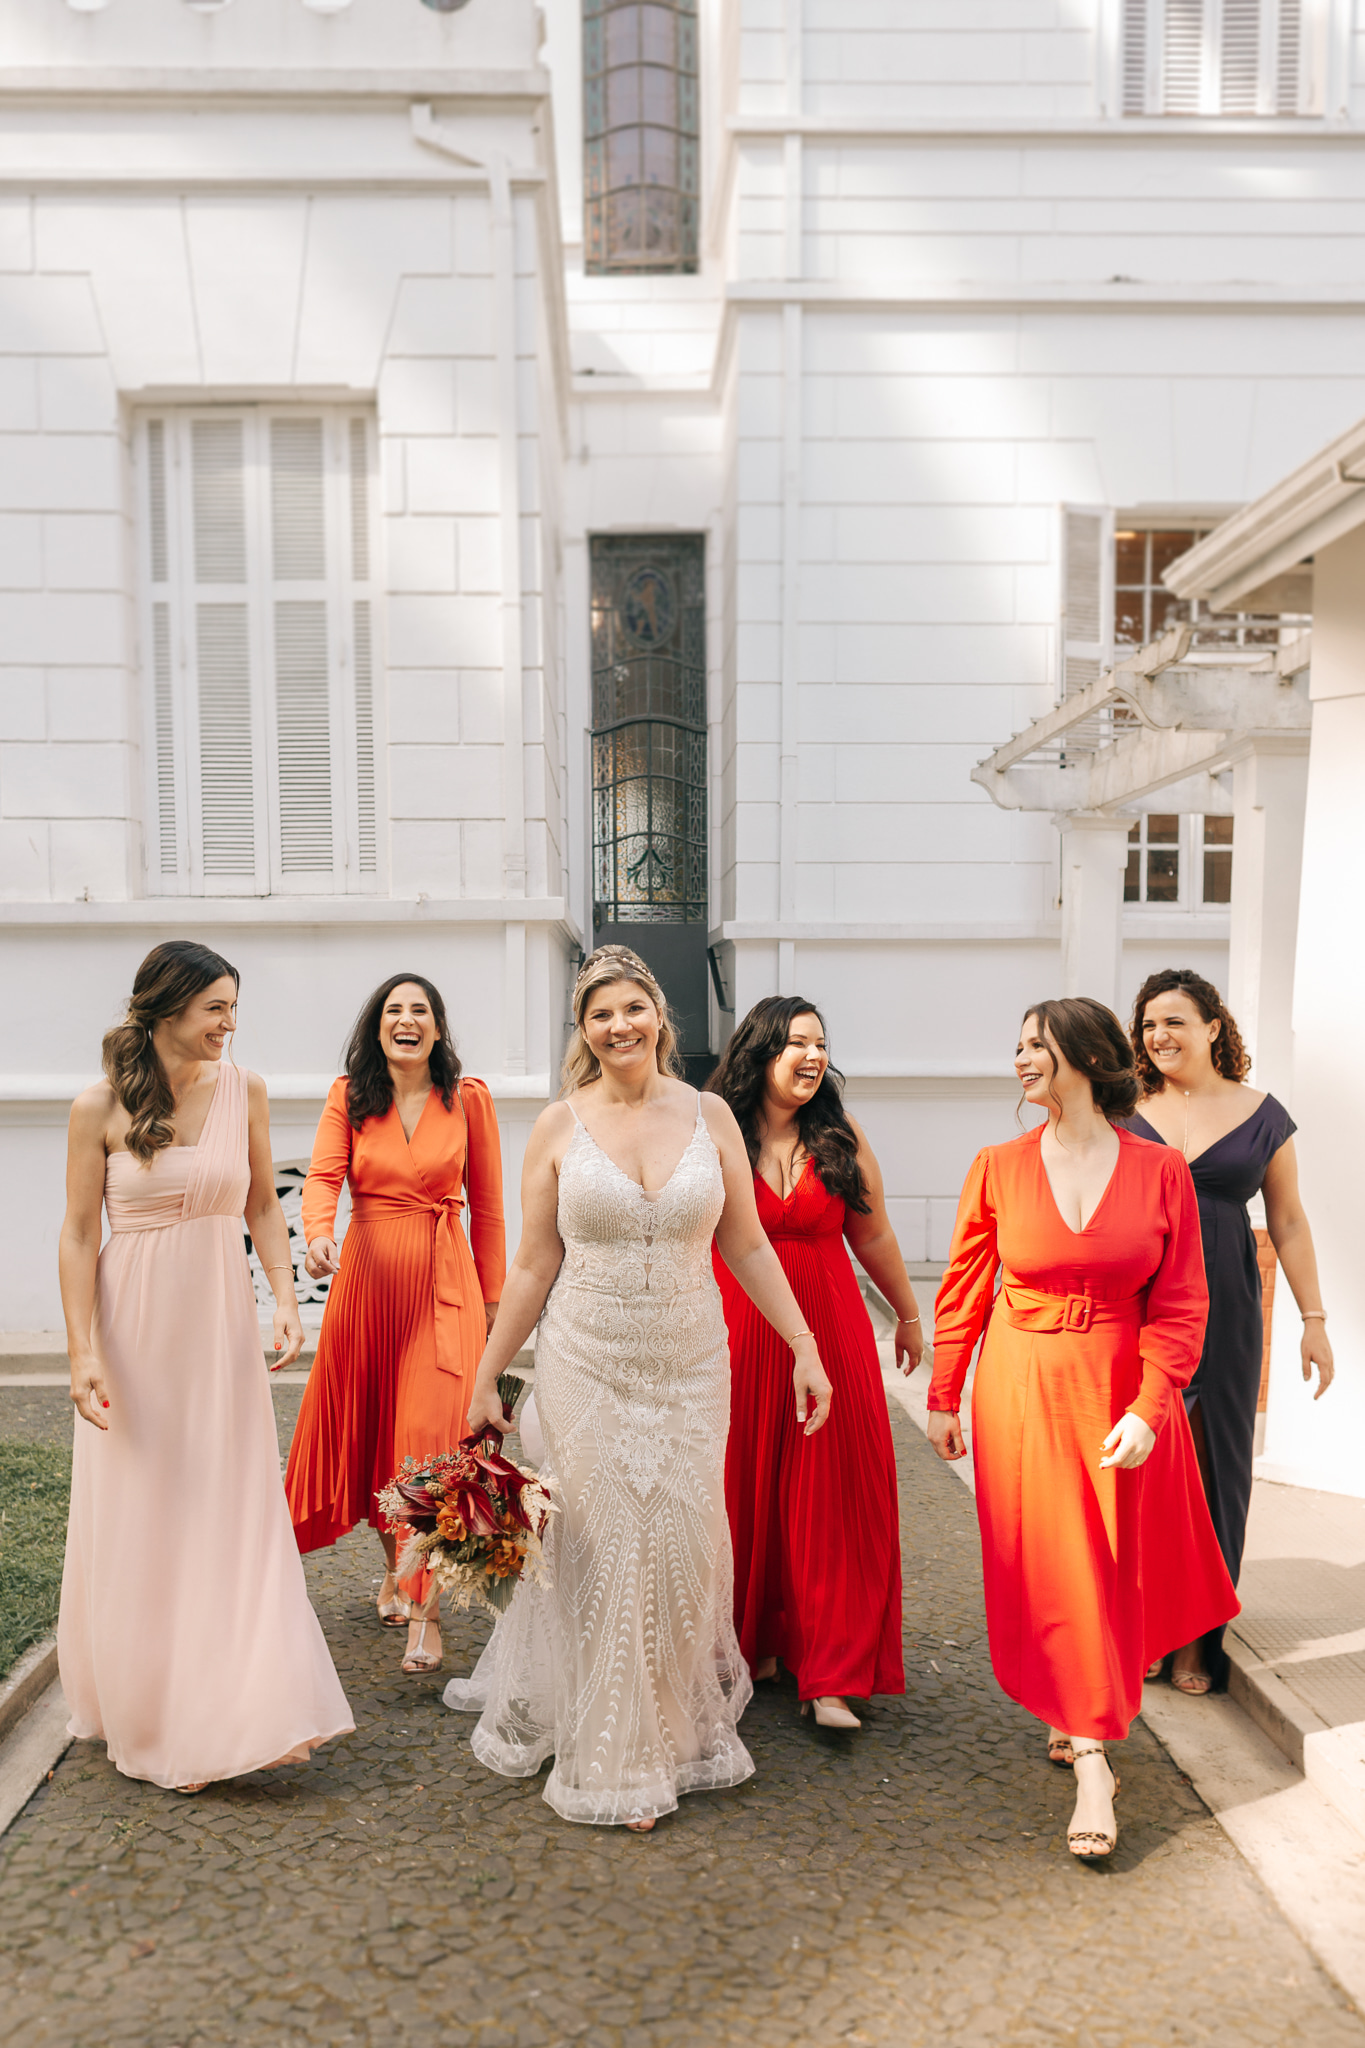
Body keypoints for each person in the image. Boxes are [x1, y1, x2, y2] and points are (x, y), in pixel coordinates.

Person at [444, 944, 833, 1831]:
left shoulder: (709, 1116)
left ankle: (663, 1717)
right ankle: (618, 1751)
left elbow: (746, 1243)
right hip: (585, 1363)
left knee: (684, 1554)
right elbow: (533, 1265)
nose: (618, 1026)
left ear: (659, 1015)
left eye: (632, 1008)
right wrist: (486, 1376)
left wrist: (804, 1347)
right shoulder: (558, 1126)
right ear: (583, 1030)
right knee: (605, 1551)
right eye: (600, 1014)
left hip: (691, 1366)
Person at [928, 997, 1237, 1861]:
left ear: (1086, 1058)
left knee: (1107, 1563)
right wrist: (945, 1395)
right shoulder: (996, 1165)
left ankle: (1079, 1713)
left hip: (1115, 1389)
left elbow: (1181, 1300)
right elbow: (964, 1287)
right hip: (1020, 1387)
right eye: (1018, 1045)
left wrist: (1151, 1404)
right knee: (1052, 1563)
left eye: (1036, 1045)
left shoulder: (1160, 1170)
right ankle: (1093, 1758)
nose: (1020, 1059)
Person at [57, 941, 353, 1794]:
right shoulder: (97, 1106)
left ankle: (242, 1705)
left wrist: (285, 1298)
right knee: (147, 1510)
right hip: (133, 1330)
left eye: (233, 1008)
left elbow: (262, 1201)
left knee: (229, 1505)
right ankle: (155, 1709)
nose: (229, 1024)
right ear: (165, 1008)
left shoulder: (244, 1089)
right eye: (215, 1007)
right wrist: (81, 1351)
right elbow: (78, 1235)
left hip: (217, 1331)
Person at [286, 974, 505, 1677]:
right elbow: (323, 1179)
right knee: (380, 1442)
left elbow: (489, 1208)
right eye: (393, 1010)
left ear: (437, 1028)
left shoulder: (468, 1099)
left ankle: (423, 1611)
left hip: (445, 1289)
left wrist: (494, 1304)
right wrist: (318, 1234)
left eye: (420, 1010)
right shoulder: (349, 1096)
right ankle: (397, 1571)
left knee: (429, 1446)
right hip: (367, 1290)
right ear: (377, 1026)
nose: (406, 1020)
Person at [707, 996, 916, 1729]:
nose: (813, 1055)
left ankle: (831, 1670)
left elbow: (875, 1235)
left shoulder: (839, 1135)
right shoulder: (715, 1132)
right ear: (760, 1052)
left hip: (829, 1333)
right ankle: (756, 1643)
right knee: (742, 1488)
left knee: (832, 1496)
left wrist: (909, 1315)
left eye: (821, 1043)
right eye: (796, 1042)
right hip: (738, 1334)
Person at [1124, 967, 1332, 1694]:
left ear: (1213, 1028)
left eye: (1175, 1021)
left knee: (1217, 1466)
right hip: (1139, 1305)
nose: (1159, 1036)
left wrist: (1313, 1319)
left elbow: (1289, 1221)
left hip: (1226, 1307)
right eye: (1149, 1024)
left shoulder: (1261, 1113)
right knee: (1142, 1464)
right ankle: (1147, 1625)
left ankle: (1195, 1640)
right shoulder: (1123, 1107)